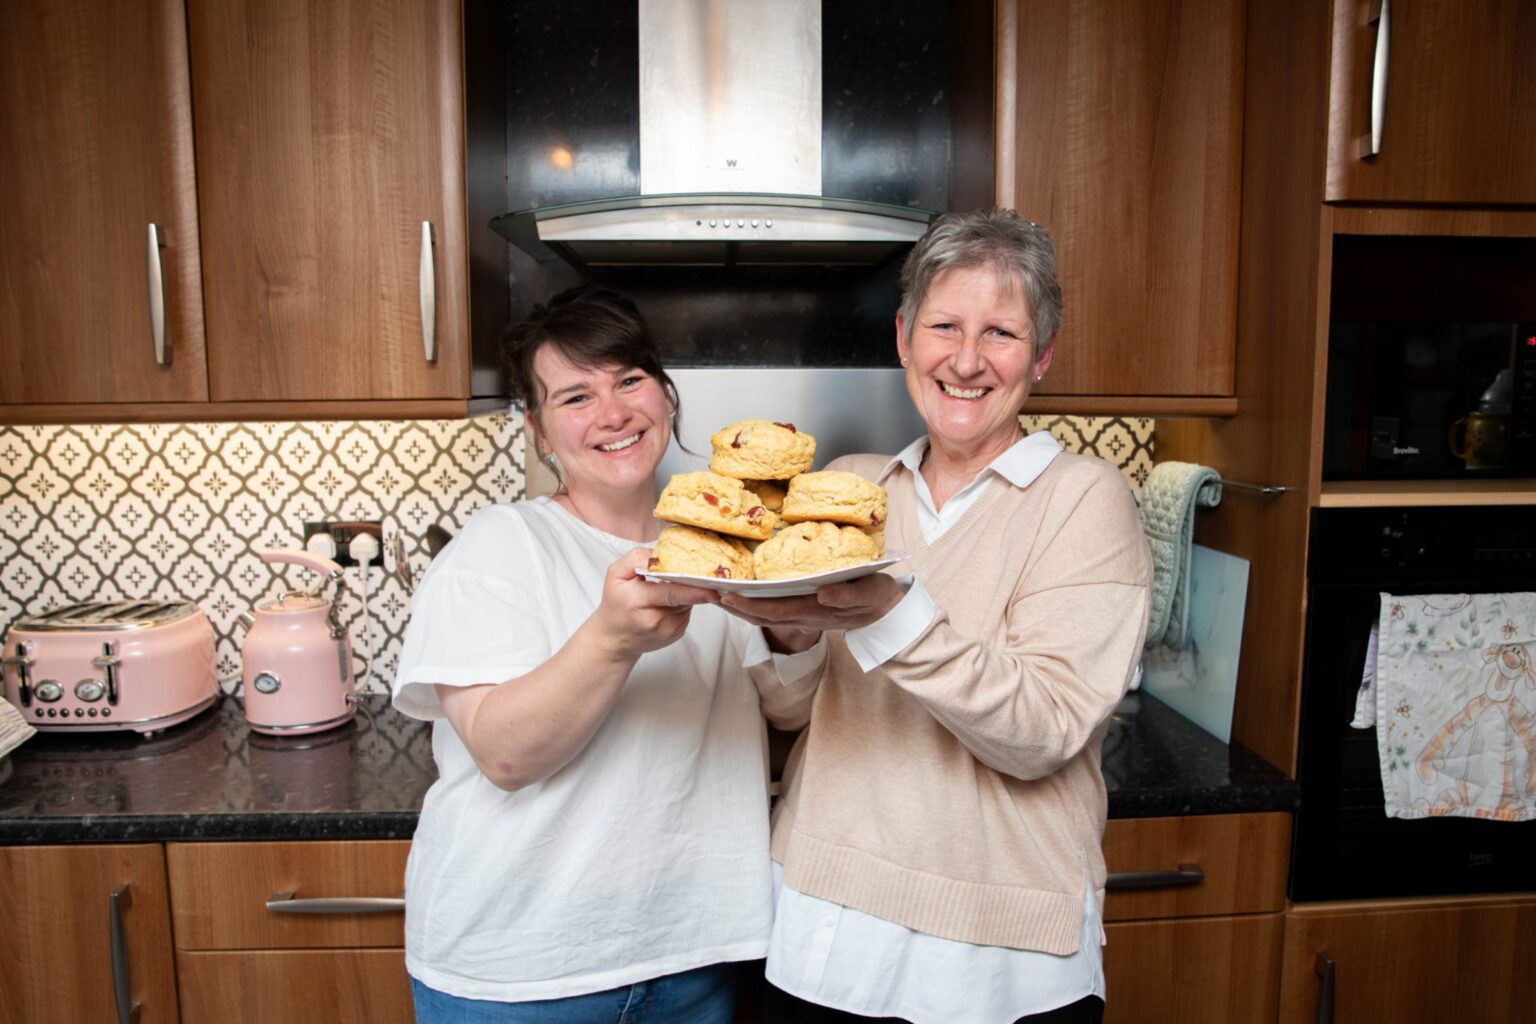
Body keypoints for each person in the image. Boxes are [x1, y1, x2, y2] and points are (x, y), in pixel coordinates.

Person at [717, 208, 1153, 1024]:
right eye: (944, 326)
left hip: (997, 953)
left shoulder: (1084, 501)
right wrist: (790, 630)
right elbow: (792, 711)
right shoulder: (852, 490)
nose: (965, 359)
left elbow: (1043, 731)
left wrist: (890, 612)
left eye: (1001, 334)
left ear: (1043, 355)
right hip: (822, 921)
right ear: (903, 338)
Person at [391, 284, 819, 1023]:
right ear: (540, 433)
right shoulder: (498, 547)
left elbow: (789, 714)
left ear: (667, 397)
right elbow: (504, 755)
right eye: (575, 397)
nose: (614, 413)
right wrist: (612, 639)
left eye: (629, 380)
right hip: (521, 973)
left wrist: (795, 627)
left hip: (695, 956)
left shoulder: (726, 539)